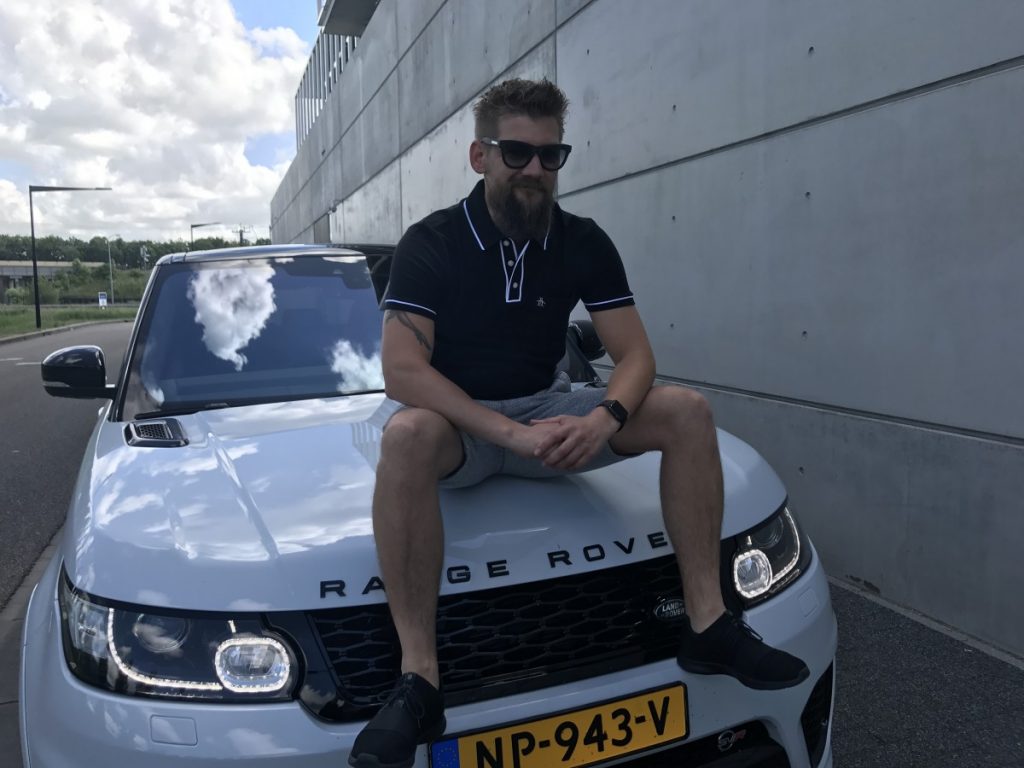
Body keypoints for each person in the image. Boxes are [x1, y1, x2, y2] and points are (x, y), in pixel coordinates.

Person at [349, 78, 808, 768]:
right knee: (406, 435)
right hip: (459, 424)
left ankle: (708, 623)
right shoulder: (432, 241)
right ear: (480, 156)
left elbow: (636, 356)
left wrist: (603, 418)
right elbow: (403, 371)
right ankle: (420, 681)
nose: (534, 169)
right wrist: (509, 434)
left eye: (550, 155)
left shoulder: (581, 240)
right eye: (516, 152)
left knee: (688, 412)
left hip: (549, 410)